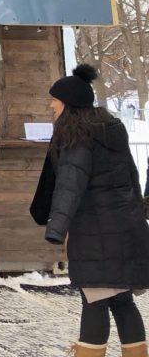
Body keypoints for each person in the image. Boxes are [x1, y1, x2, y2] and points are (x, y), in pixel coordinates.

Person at [30, 64, 149, 357]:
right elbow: (132, 178)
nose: (51, 105)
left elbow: (70, 185)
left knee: (95, 300)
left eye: (54, 101)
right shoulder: (110, 129)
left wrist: (56, 229)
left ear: (68, 104)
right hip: (126, 227)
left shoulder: (77, 137)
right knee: (122, 302)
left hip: (97, 233)